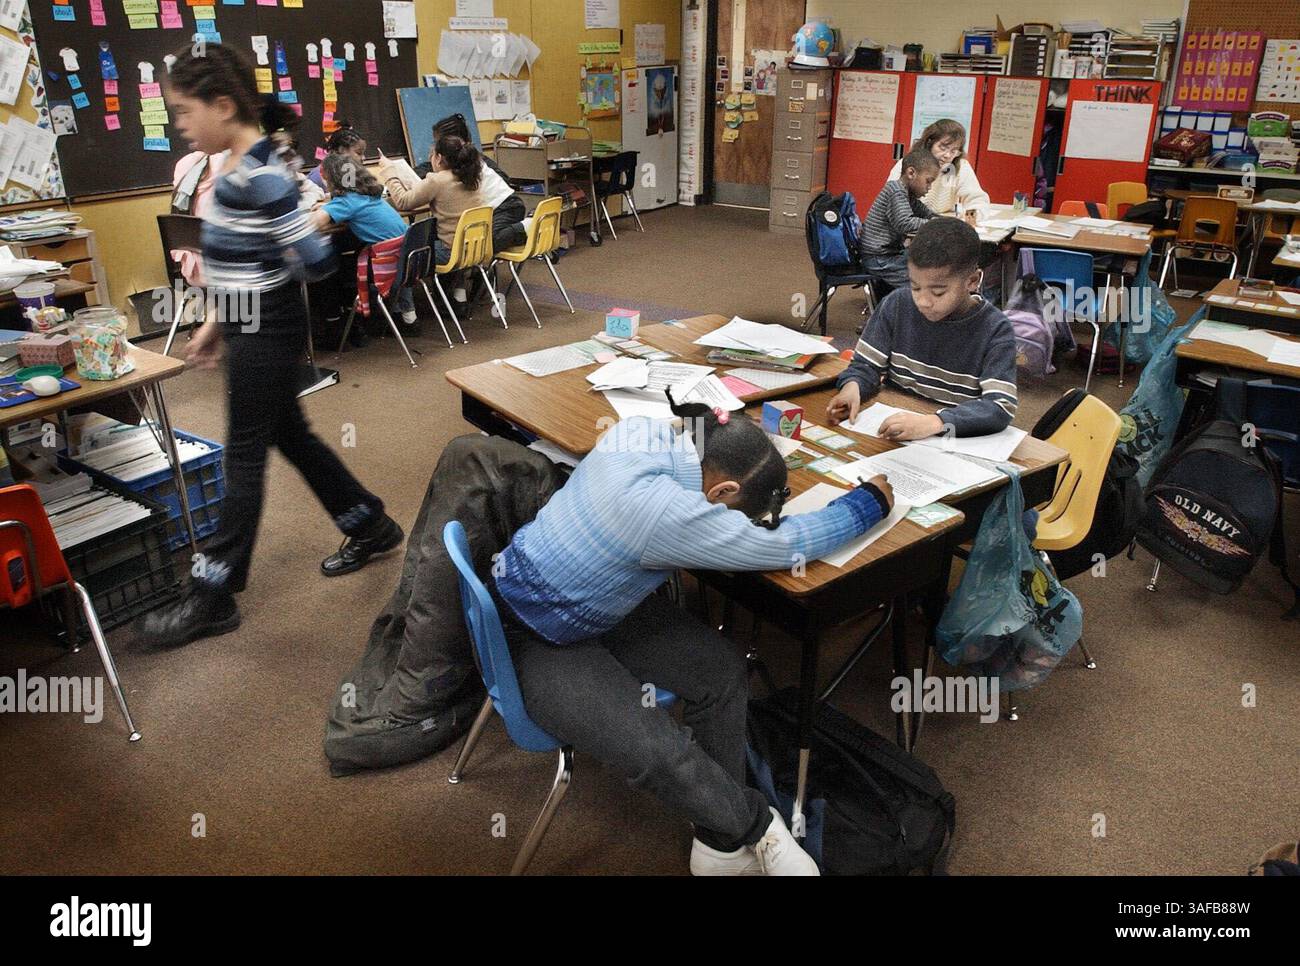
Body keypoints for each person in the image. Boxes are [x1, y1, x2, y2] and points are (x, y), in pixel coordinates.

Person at [489, 397, 895, 875]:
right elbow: (786, 545)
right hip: (533, 632)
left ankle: (717, 845)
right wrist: (869, 501)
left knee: (721, 671)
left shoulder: (640, 431)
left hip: (593, 602)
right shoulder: (664, 512)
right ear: (722, 490)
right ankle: (755, 829)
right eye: (737, 513)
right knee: (660, 754)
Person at [138, 44, 404, 650]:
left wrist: (281, 236)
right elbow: (242, 262)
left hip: (269, 330)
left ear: (224, 105)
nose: (179, 123)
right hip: (255, 322)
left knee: (243, 459)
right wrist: (217, 322)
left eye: (184, 111)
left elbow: (312, 259)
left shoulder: (257, 174)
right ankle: (371, 523)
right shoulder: (242, 166)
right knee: (292, 436)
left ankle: (213, 594)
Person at [827, 217, 1018, 439]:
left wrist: (937, 422)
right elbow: (865, 366)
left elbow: (1000, 406)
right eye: (915, 287)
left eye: (938, 292)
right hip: (893, 429)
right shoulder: (897, 304)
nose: (923, 301)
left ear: (972, 281)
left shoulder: (995, 329)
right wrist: (853, 387)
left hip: (951, 439)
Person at [379, 133, 526, 313]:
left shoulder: (437, 180)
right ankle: (459, 299)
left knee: (403, 253)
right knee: (448, 240)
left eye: (431, 155)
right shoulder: (471, 176)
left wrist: (390, 174)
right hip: (473, 250)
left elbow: (403, 202)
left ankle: (407, 315)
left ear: (439, 158)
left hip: (452, 252)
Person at [309, 152, 419, 330]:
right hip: (407, 258)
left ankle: (354, 323)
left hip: (389, 264)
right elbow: (349, 205)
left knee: (334, 270)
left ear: (331, 179)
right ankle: (404, 315)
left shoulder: (346, 203)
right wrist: (328, 205)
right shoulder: (370, 195)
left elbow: (314, 223)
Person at [858, 145, 938, 290]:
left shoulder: (907, 194)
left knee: (927, 263)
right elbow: (905, 223)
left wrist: (941, 220)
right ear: (911, 173)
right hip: (879, 258)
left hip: (888, 254)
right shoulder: (896, 190)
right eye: (928, 181)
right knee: (923, 282)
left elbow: (925, 212)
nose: (929, 187)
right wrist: (934, 224)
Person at [887, 119, 990, 219]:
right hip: (910, 222)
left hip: (941, 223)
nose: (947, 155)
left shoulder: (960, 167)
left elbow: (977, 199)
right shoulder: (906, 164)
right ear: (929, 143)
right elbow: (892, 200)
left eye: (954, 151)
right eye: (943, 148)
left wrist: (971, 217)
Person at [308, 120, 366, 191]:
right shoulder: (316, 178)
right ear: (341, 151)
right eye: (359, 153)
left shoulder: (354, 173)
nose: (364, 158)